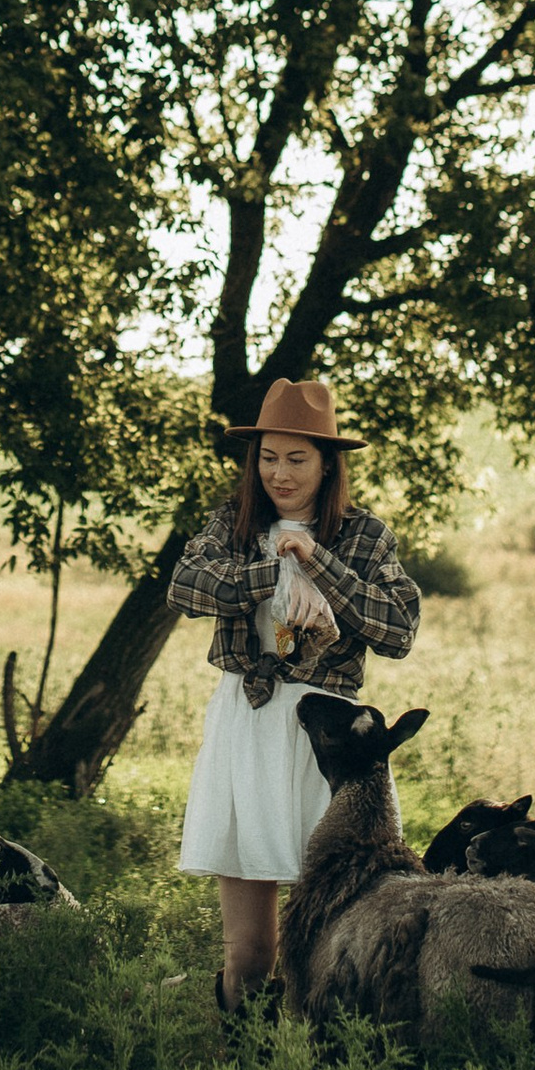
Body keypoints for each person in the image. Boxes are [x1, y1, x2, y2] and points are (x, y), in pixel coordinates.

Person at [168, 377, 421, 1014]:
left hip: (330, 741)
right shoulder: (234, 523)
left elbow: (397, 630)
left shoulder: (364, 536)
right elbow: (188, 586)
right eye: (268, 457)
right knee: (251, 950)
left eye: (297, 458)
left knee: (334, 934)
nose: (280, 473)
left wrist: (317, 563)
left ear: (328, 463)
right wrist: (272, 566)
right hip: (248, 724)